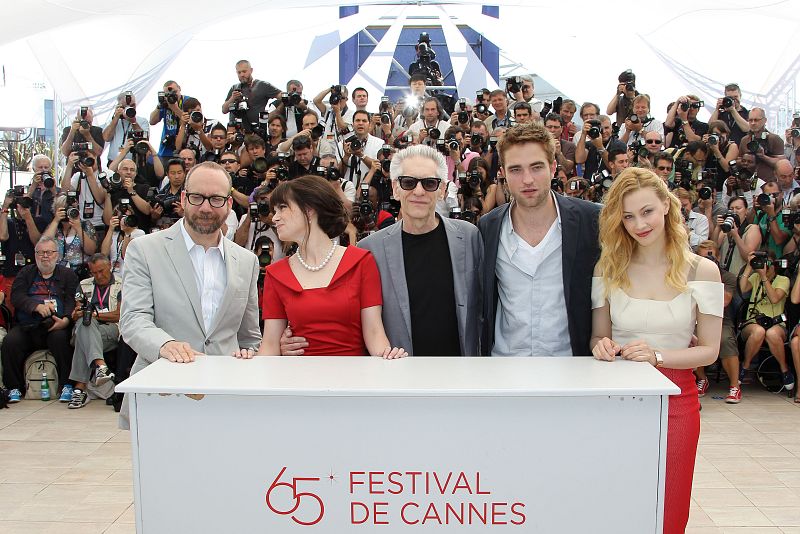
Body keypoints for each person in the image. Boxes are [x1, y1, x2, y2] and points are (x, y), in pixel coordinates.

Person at [590, 167, 723, 534]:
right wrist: (601, 346)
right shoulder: (609, 266)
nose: (638, 224)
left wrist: (658, 357)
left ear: (667, 205)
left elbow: (710, 351)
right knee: (615, 503)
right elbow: (597, 337)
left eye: (646, 211)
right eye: (628, 216)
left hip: (677, 402)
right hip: (616, 401)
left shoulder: (703, 271)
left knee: (670, 508)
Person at [119, 162, 263, 428]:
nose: (206, 208)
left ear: (229, 204)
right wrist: (165, 346)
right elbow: (133, 319)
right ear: (184, 198)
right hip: (162, 393)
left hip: (228, 399)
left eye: (216, 199)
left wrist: (250, 354)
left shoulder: (247, 261)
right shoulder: (144, 250)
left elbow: (250, 337)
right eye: (197, 197)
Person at [479, 122, 601, 357]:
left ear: (553, 167)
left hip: (571, 369)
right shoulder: (488, 226)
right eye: (516, 170)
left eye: (536, 167)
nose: (527, 180)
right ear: (502, 173)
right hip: (504, 369)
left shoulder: (591, 220)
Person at [258, 175, 405, 358]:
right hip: (297, 380)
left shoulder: (360, 261)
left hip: (353, 378)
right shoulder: (276, 273)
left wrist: (390, 359)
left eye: (282, 208)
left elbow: (374, 333)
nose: (275, 218)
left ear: (309, 210)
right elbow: (270, 346)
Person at [357, 145, 482, 356]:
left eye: (429, 183)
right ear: (395, 188)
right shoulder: (370, 249)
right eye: (408, 182)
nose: (418, 191)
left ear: (442, 190)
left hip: (462, 374)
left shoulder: (469, 236)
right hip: (400, 376)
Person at [2, 236, 79, 403]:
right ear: (35, 254)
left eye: (49, 252)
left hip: (56, 325)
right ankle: (14, 387)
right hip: (28, 325)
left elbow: (71, 301)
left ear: (57, 255)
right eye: (40, 252)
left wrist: (65, 320)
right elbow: (16, 296)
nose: (45, 256)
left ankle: (67, 385)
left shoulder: (67, 274)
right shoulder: (26, 272)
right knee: (11, 341)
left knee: (61, 339)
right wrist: (36, 307)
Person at [66, 254, 121, 409]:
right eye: (94, 272)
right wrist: (78, 313)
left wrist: (94, 315)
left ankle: (79, 390)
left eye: (101, 271)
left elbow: (119, 314)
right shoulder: (84, 285)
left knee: (84, 332)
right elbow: (77, 310)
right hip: (88, 327)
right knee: (85, 325)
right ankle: (100, 366)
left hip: (112, 328)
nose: (98, 275)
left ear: (109, 265)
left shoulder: (122, 284)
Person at [738, 249, 794, 390]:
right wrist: (749, 266)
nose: (763, 267)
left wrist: (764, 278)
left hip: (776, 324)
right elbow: (742, 288)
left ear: (774, 265)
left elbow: (775, 299)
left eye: (766, 264)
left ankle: (784, 370)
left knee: (771, 333)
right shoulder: (755, 277)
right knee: (759, 331)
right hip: (752, 323)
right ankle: (745, 367)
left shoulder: (783, 280)